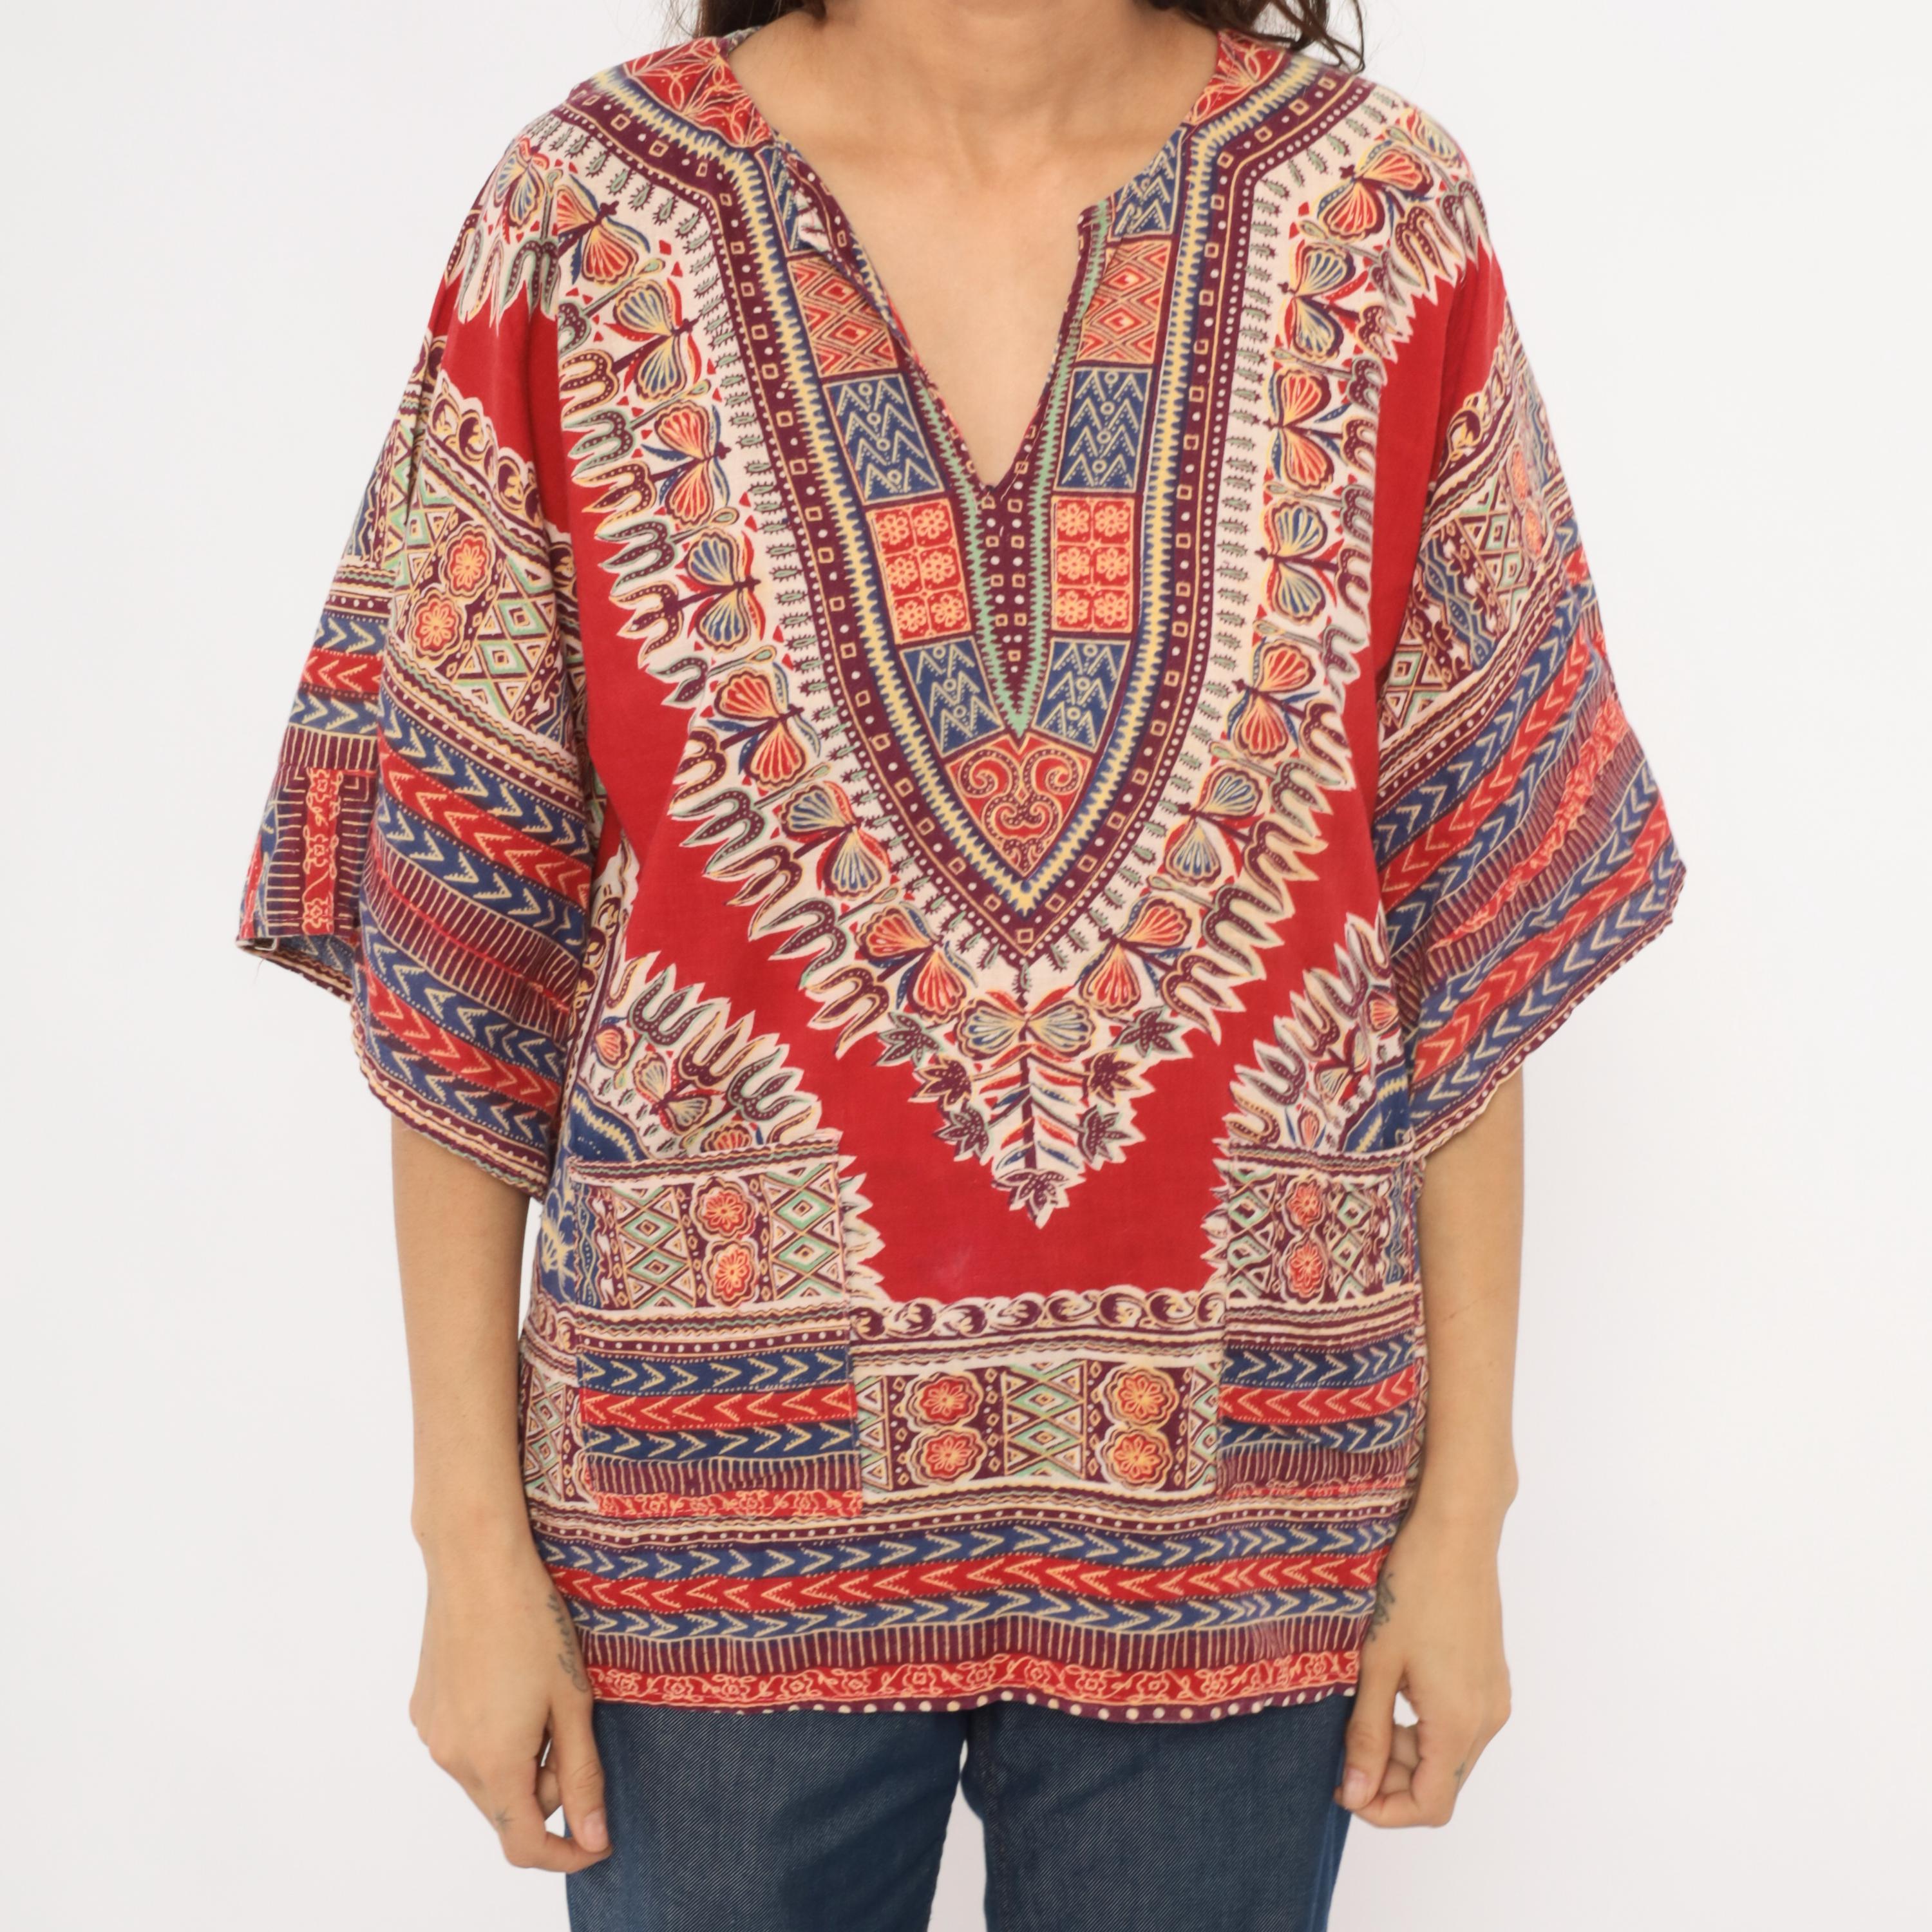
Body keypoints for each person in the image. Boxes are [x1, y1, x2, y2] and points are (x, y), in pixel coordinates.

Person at [234, 1, 1684, 1925]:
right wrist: (466, 1547)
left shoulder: (1375, 210)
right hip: (702, 1535)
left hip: (1245, 1526)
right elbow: (459, 917)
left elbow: (1465, 912)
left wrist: (1469, 1511)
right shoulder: (588, 217)